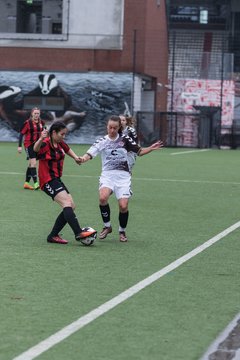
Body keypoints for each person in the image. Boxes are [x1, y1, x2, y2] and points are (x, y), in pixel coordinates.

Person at [79, 115, 164, 242]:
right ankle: (107, 227)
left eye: (115, 128)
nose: (112, 130)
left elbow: (139, 152)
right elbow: (90, 153)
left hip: (123, 177)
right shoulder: (102, 141)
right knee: (103, 197)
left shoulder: (125, 139)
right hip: (107, 175)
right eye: (110, 127)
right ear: (107, 127)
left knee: (123, 206)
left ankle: (122, 231)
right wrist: (82, 159)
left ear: (119, 127)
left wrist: (151, 148)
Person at [33, 121, 96, 245]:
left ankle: (53, 235)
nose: (64, 136)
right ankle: (78, 232)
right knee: (66, 203)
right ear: (54, 133)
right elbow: (35, 149)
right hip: (47, 180)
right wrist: (41, 138)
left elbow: (67, 149)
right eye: (62, 134)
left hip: (56, 179)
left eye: (65, 134)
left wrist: (77, 158)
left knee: (71, 206)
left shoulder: (59, 142)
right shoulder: (45, 143)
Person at [18, 107, 45, 190]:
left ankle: (26, 183)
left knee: (30, 164)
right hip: (29, 145)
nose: (36, 115)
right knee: (33, 164)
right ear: (32, 114)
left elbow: (44, 132)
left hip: (37, 145)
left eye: (38, 113)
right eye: (35, 113)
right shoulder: (27, 123)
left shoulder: (41, 122)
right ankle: (36, 183)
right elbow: (21, 134)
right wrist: (19, 146)